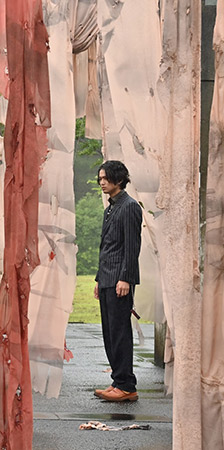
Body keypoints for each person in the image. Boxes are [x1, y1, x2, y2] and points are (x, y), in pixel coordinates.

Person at [93, 160, 142, 402]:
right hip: (107, 279)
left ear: (119, 179)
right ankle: (118, 381)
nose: (102, 182)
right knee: (110, 333)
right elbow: (108, 248)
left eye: (106, 178)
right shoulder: (110, 208)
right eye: (100, 178)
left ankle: (126, 386)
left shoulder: (130, 207)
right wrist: (99, 279)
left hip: (119, 281)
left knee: (120, 333)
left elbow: (131, 248)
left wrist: (125, 278)